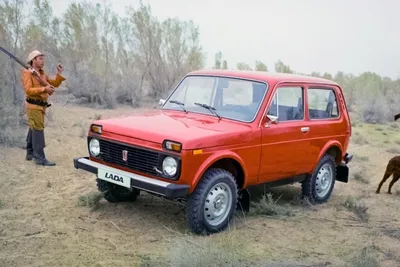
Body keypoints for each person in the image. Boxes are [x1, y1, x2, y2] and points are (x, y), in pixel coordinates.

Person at [21, 50, 66, 166]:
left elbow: (53, 84)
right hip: (33, 105)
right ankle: (40, 158)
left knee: (33, 128)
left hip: (41, 106)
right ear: (33, 60)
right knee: (38, 130)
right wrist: (44, 89)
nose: (43, 60)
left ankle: (30, 153)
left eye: (43, 58)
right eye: (40, 58)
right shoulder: (27, 73)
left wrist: (59, 74)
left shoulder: (42, 74)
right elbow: (28, 90)